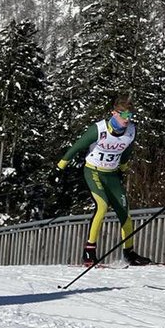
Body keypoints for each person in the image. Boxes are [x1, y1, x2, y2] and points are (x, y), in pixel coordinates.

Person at [57, 94, 150, 266]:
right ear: (114, 113)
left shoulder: (131, 131)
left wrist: (122, 169)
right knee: (102, 206)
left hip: (112, 175)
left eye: (130, 116)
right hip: (93, 172)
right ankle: (89, 251)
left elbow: (127, 152)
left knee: (125, 213)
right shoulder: (99, 130)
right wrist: (59, 168)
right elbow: (77, 147)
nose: (127, 119)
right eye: (123, 115)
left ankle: (129, 253)